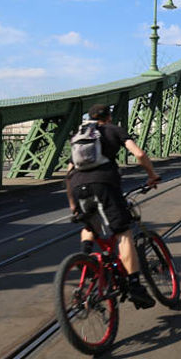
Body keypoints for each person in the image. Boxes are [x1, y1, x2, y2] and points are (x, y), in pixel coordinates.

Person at [65, 104, 161, 308]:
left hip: (77, 186)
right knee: (123, 233)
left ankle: (85, 261)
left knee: (89, 225)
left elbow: (69, 171)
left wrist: (73, 204)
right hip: (105, 185)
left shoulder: (80, 136)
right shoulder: (113, 130)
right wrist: (152, 175)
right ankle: (135, 286)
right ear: (108, 117)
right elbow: (140, 154)